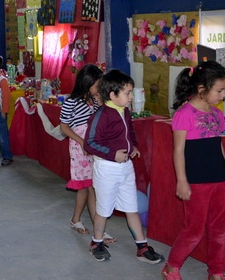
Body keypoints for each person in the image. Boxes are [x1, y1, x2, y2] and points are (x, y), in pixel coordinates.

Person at [84, 69, 164, 264]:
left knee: (131, 208)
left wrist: (133, 146)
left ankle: (142, 247)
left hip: (126, 168)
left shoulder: (125, 111)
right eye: (127, 93)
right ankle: (96, 243)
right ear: (113, 95)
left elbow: (131, 133)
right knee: (104, 210)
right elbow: (89, 143)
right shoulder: (101, 115)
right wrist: (113, 154)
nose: (130, 97)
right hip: (107, 169)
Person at [161, 60, 225, 280]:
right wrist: (182, 180)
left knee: (220, 229)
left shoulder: (217, 115)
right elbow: (178, 151)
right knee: (194, 230)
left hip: (219, 180)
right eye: (220, 90)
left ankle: (216, 272)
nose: (223, 95)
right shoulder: (184, 113)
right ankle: (171, 267)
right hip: (197, 182)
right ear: (202, 89)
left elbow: (218, 147)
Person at [59, 64, 116, 244]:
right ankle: (82, 222)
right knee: (86, 186)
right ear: (87, 83)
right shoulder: (71, 102)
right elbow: (63, 127)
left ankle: (93, 226)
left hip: (94, 146)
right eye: (97, 84)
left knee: (93, 186)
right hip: (80, 147)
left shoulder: (96, 101)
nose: (99, 88)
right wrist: (82, 141)